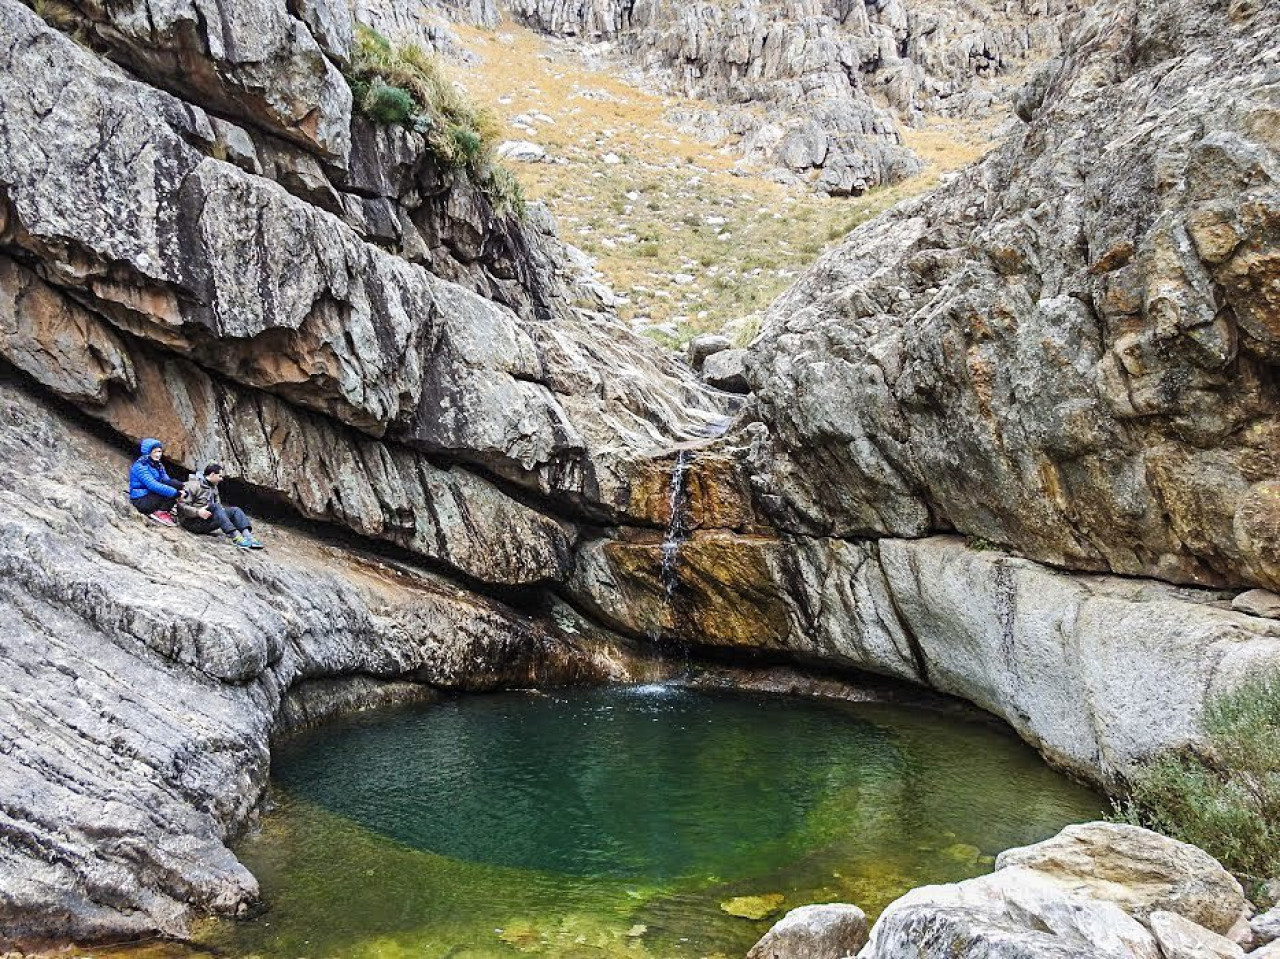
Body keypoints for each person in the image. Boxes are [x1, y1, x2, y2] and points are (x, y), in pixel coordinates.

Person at [175, 463, 264, 550]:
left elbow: (218, 506)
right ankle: (236, 537)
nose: (221, 479)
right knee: (215, 507)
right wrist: (197, 512)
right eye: (220, 476)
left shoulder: (214, 487)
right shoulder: (192, 485)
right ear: (212, 474)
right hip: (191, 522)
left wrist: (222, 516)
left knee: (235, 510)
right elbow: (181, 505)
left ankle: (248, 536)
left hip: (206, 520)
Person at [128, 438, 185, 527]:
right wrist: (175, 493)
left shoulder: (158, 465)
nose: (158, 455)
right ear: (148, 452)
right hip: (141, 500)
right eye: (155, 452)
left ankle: (163, 510)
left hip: (150, 495)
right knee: (170, 491)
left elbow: (167, 481)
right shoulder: (140, 466)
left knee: (176, 484)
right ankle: (159, 512)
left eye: (160, 452)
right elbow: (153, 485)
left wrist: (182, 490)